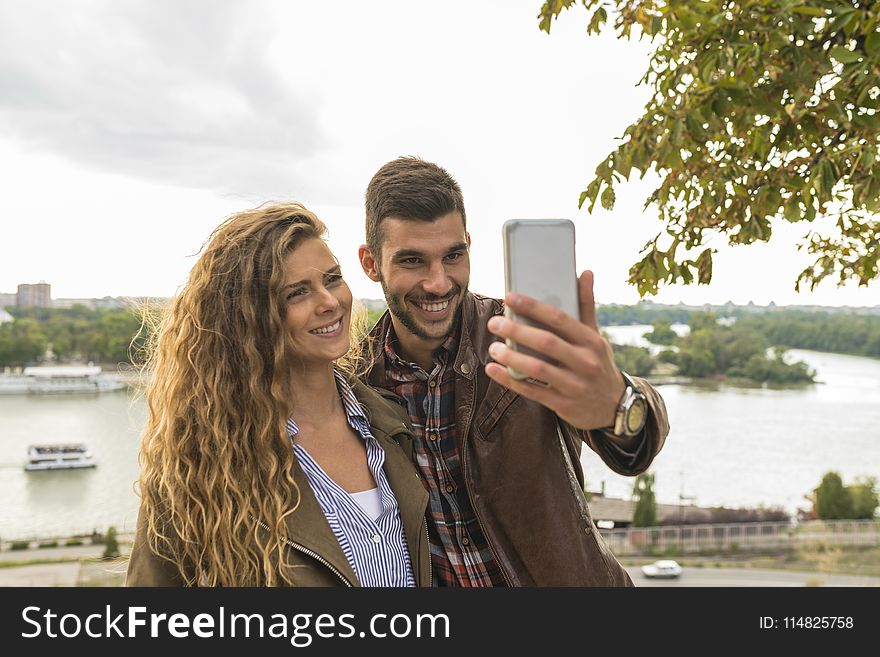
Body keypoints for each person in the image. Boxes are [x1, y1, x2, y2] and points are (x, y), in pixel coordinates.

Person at [357, 157, 670, 586]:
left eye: (453, 256)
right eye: (412, 261)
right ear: (370, 263)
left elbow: (637, 447)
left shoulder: (525, 339)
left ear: (469, 245)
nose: (438, 282)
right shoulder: (356, 381)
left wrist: (619, 404)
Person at [125, 202, 430, 587]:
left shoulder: (393, 421)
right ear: (249, 317)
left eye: (332, 278)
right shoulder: (199, 463)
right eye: (297, 294)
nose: (330, 302)